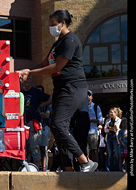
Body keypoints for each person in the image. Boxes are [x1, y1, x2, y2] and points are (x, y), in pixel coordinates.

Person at [17, 10, 98, 172]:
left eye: (53, 25)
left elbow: (57, 66)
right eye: (49, 25)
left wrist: (30, 73)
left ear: (62, 23)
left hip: (74, 87)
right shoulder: (58, 42)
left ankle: (85, 162)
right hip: (61, 88)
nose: (51, 28)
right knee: (58, 126)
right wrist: (25, 70)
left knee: (58, 124)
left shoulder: (70, 40)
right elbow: (45, 62)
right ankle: (68, 167)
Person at [22, 77, 51, 169]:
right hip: (22, 122)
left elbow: (50, 98)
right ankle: (27, 168)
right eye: (24, 80)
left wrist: (41, 106)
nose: (26, 82)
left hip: (33, 123)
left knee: (35, 147)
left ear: (31, 81)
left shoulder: (36, 92)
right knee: (25, 149)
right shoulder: (20, 92)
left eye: (27, 80)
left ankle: (37, 169)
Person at [87, 90, 103, 164]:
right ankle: (86, 165)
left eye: (89, 95)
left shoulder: (96, 107)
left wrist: (91, 120)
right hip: (84, 131)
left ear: (92, 97)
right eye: (86, 95)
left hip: (93, 131)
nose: (87, 96)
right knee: (84, 150)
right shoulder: (81, 106)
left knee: (94, 150)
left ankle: (95, 165)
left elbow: (100, 120)